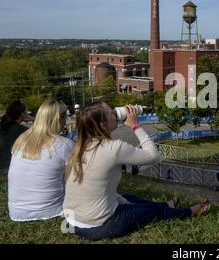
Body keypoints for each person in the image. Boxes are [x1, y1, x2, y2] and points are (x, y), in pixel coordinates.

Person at [63, 102, 210, 241]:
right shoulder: (113, 148)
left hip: (72, 222)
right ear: (103, 125)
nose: (116, 113)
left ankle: (166, 205)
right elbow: (154, 156)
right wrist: (135, 125)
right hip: (97, 227)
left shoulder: (80, 147)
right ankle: (188, 212)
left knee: (129, 198)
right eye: (111, 113)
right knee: (153, 211)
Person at [8, 99, 73, 221]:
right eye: (65, 117)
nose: (66, 121)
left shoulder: (21, 139)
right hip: (51, 210)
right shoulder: (65, 145)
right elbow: (76, 179)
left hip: (16, 211)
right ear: (59, 119)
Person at [0, 100, 33, 171]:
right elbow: (40, 133)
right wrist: (33, 119)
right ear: (22, 114)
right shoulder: (20, 129)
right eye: (26, 112)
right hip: (5, 167)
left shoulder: (2, 124)